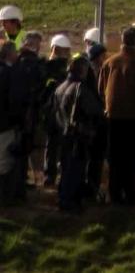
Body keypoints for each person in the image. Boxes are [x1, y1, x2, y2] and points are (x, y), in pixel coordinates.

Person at [99, 26, 135, 206]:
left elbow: (101, 89)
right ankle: (131, 193)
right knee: (133, 158)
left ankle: (114, 193)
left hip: (112, 117)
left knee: (115, 157)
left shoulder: (109, 63)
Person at [53, 55, 104, 213]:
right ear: (83, 70)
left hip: (62, 133)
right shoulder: (79, 88)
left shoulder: (60, 87)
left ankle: (63, 199)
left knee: (66, 168)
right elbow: (94, 110)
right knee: (75, 170)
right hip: (77, 135)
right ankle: (69, 202)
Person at [9, 32, 47, 201]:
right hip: (26, 113)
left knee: (21, 149)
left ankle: (21, 181)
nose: (38, 47)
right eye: (37, 43)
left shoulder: (16, 62)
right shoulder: (31, 64)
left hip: (19, 114)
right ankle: (18, 187)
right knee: (22, 148)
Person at [42, 34, 73, 189]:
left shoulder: (45, 67)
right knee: (62, 145)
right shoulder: (67, 69)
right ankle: (61, 175)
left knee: (51, 145)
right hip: (63, 113)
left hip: (50, 112)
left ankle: (50, 175)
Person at [82, 32, 108, 202]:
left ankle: (90, 188)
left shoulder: (91, 71)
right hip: (94, 124)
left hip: (92, 123)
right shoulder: (93, 74)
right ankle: (91, 190)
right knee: (94, 160)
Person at [0, 43, 19, 207]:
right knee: (5, 163)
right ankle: (5, 199)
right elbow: (12, 100)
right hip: (4, 124)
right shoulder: (8, 74)